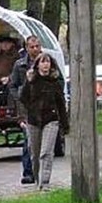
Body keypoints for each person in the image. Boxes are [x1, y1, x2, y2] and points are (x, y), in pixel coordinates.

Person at [18, 52, 68, 191]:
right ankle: (37, 178)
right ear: (37, 65)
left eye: (48, 62)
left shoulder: (55, 82)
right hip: (33, 120)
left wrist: (65, 125)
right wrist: (23, 117)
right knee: (34, 153)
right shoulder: (31, 80)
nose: (45, 65)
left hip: (51, 120)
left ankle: (45, 182)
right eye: (42, 62)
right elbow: (23, 98)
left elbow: (61, 104)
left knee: (46, 152)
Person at [9, 35, 44, 184]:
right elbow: (12, 85)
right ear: (27, 48)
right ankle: (28, 172)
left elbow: (58, 80)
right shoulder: (20, 65)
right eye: (32, 47)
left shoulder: (47, 62)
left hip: (44, 106)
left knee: (43, 144)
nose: (35, 49)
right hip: (26, 108)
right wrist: (20, 97)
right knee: (28, 140)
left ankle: (43, 172)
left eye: (37, 46)